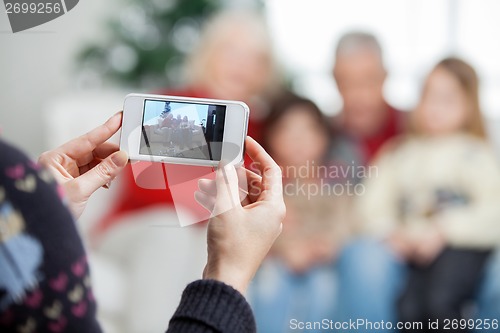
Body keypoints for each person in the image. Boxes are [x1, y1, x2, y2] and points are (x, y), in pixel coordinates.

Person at [0, 112, 286, 332]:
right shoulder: (175, 106)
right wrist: (231, 272)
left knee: (186, 232)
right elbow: (141, 180)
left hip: (189, 231)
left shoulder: (258, 124)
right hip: (136, 227)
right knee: (170, 227)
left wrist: (50, 211)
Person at [357, 57, 500, 332]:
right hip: (411, 253)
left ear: (469, 105)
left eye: (447, 99)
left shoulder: (475, 154)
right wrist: (391, 233)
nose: (435, 108)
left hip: (459, 249)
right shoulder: (399, 154)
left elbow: (493, 209)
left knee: (441, 302)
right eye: (428, 96)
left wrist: (445, 231)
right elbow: (372, 204)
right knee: (409, 308)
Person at [248, 93, 352, 332]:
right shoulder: (265, 184)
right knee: (269, 286)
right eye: (287, 131)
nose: (298, 140)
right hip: (276, 263)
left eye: (308, 130)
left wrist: (327, 244)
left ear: (324, 138)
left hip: (324, 262)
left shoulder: (335, 181)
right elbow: (258, 227)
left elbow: (346, 221)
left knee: (323, 287)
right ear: (271, 139)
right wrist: (287, 249)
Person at [330, 31, 406, 177]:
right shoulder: (323, 137)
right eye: (347, 83)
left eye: (369, 81)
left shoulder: (410, 128)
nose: (359, 95)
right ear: (335, 81)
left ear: (385, 77)